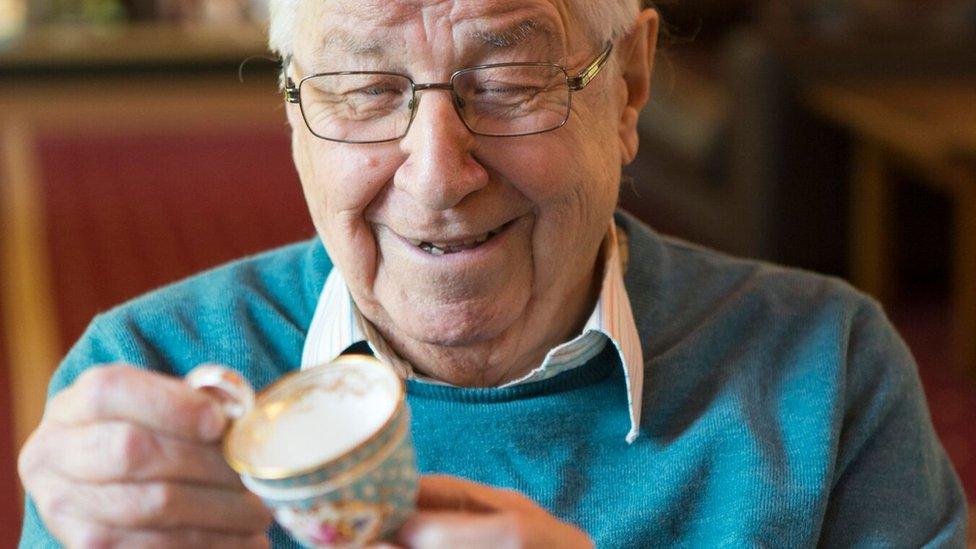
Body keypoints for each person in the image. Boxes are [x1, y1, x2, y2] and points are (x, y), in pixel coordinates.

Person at [17, 0, 968, 547]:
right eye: (363, 90)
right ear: (293, 110)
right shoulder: (149, 384)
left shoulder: (828, 373)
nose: (437, 175)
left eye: (510, 83)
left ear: (628, 86)